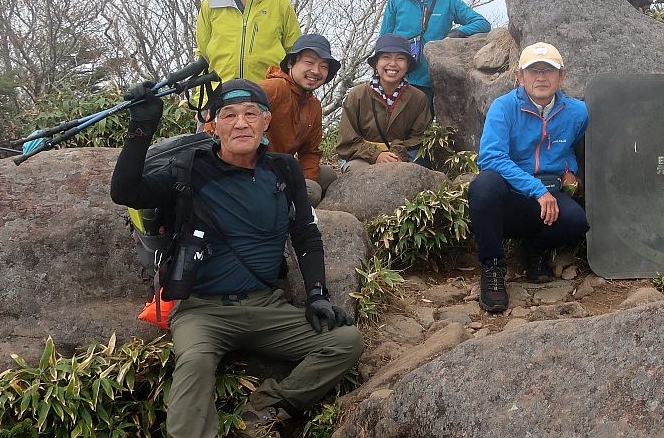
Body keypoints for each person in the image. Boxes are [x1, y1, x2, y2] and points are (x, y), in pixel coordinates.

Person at [110, 79, 363, 438]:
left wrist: (317, 295)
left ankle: (269, 406)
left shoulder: (283, 170)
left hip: (266, 306)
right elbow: (125, 191)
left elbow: (306, 233)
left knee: (345, 342)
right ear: (214, 124)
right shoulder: (188, 169)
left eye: (250, 113)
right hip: (201, 310)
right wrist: (142, 127)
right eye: (229, 115)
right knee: (194, 363)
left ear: (266, 121)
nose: (240, 123)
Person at [468, 42, 590, 313]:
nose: (541, 77)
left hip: (550, 192)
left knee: (576, 221)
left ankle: (534, 250)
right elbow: (490, 158)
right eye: (533, 71)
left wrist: (570, 170)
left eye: (549, 71)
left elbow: (573, 145)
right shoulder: (504, 108)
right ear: (519, 77)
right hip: (512, 194)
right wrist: (536, 189)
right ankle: (493, 267)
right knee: (484, 186)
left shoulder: (578, 112)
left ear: (562, 76)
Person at [379, 0, 490, 108]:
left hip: (431, 82)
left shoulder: (449, 2)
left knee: (423, 130)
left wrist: (457, 33)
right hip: (398, 78)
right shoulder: (397, 0)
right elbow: (383, 41)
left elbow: (482, 24)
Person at [258, 33, 340, 206]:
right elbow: (232, 104)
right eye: (309, 62)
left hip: (283, 168)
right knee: (311, 192)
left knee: (327, 176)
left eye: (323, 66)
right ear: (290, 63)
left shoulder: (314, 105)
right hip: (257, 169)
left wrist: (306, 180)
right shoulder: (275, 88)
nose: (316, 71)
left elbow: (310, 151)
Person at [336, 34, 432, 172]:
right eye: (386, 57)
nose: (393, 64)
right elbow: (347, 142)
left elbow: (419, 138)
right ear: (376, 63)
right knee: (361, 173)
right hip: (361, 157)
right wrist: (376, 155)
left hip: (403, 155)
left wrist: (397, 152)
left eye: (400, 58)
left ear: (408, 64)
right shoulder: (357, 95)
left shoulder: (419, 98)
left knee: (412, 173)